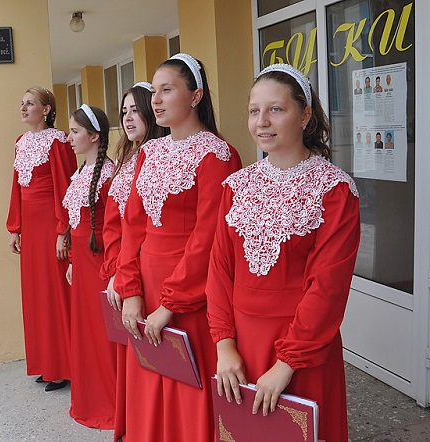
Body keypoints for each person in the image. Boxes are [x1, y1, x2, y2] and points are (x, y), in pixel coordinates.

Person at [206, 63, 360, 442]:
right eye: (254, 110)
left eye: (276, 109)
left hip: (304, 349)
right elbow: (219, 271)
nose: (262, 122)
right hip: (239, 348)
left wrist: (288, 363)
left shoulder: (334, 191)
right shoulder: (236, 186)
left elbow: (327, 287)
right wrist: (225, 345)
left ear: (305, 115)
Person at [114, 53, 243, 442]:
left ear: (195, 95)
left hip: (192, 292)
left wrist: (169, 304)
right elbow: (132, 226)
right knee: (150, 373)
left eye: (166, 89)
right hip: (147, 282)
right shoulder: (149, 152)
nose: (155, 99)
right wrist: (131, 291)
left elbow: (209, 239)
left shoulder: (218, 155)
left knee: (188, 386)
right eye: (153, 90)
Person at [99, 81, 168, 442]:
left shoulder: (162, 157)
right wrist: (115, 272)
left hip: (151, 273)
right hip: (125, 271)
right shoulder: (127, 162)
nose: (127, 117)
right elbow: (115, 224)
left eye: (134, 109)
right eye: (122, 110)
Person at [6, 86, 77, 392]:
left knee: (54, 294)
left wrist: (64, 230)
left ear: (47, 109)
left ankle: (63, 367)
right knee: (35, 295)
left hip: (50, 224)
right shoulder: (20, 142)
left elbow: (66, 186)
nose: (23, 108)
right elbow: (16, 188)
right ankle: (44, 363)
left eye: (30, 103)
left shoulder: (58, 141)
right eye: (22, 103)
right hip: (31, 230)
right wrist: (15, 227)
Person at [62, 104, 117, 429]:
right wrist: (71, 261)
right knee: (85, 331)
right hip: (81, 263)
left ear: (94, 136)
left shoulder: (107, 174)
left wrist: (112, 270)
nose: (69, 138)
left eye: (75, 132)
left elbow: (112, 228)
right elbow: (75, 221)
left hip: (99, 262)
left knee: (102, 334)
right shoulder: (81, 172)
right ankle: (89, 398)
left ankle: (110, 404)